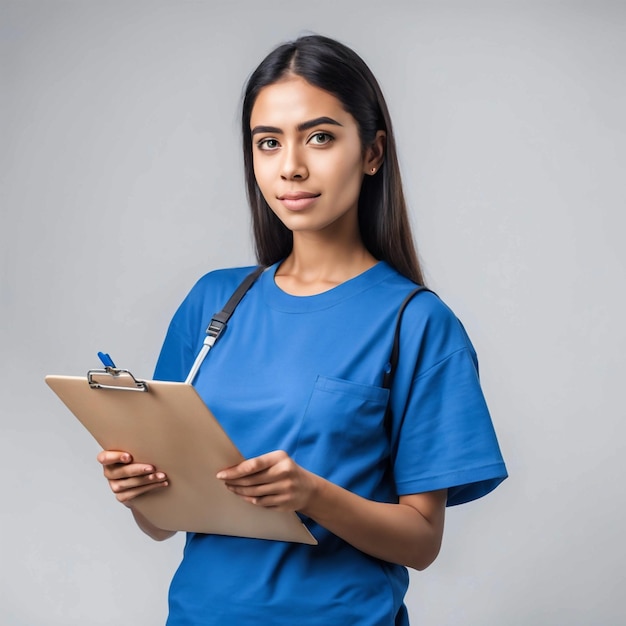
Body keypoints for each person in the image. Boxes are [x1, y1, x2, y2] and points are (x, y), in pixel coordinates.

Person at [97, 34, 507, 625]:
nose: (291, 165)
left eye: (320, 137)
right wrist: (140, 489)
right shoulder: (215, 303)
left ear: (373, 152)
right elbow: (163, 524)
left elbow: (421, 542)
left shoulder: (415, 323)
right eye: (268, 143)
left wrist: (312, 495)